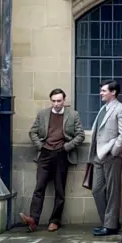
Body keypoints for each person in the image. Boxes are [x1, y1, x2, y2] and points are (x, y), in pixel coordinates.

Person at [20, 88, 85, 232]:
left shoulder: (73, 115)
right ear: (51, 101)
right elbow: (33, 132)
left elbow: (80, 135)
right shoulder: (43, 114)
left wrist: (67, 147)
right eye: (54, 101)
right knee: (39, 187)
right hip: (45, 154)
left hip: (62, 154)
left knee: (59, 189)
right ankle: (33, 220)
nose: (56, 104)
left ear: (64, 100)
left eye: (59, 101)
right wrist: (40, 146)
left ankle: (55, 221)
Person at [89, 79, 122, 236]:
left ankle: (110, 226)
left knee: (112, 191)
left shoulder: (120, 109)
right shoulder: (103, 108)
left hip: (111, 155)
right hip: (98, 155)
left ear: (113, 92)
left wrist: (114, 151)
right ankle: (107, 221)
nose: (101, 93)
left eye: (104, 91)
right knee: (96, 190)